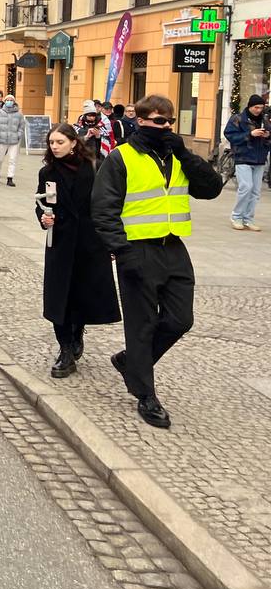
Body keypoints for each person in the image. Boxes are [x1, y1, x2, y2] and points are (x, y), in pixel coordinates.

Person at [92, 95, 222, 430]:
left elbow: (211, 189)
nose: (165, 127)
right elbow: (103, 209)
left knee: (180, 320)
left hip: (173, 248)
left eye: (170, 122)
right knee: (142, 324)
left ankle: (130, 361)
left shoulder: (178, 156)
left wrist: (184, 153)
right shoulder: (122, 157)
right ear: (140, 120)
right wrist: (122, 250)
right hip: (137, 249)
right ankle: (145, 395)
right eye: (158, 121)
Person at [35, 124, 120, 379]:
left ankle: (76, 334)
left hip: (88, 241)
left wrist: (111, 241)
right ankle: (65, 350)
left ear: (74, 142)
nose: (55, 146)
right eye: (52, 142)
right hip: (60, 242)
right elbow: (41, 203)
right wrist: (43, 218)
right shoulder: (47, 172)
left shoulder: (93, 167)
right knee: (59, 296)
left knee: (82, 293)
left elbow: (106, 204)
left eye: (60, 142)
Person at [223, 93, 269, 231]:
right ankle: (236, 216)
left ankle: (248, 219)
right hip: (243, 158)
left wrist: (266, 137)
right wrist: (250, 134)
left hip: (259, 159)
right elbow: (230, 135)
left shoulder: (264, 121)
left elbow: (269, 141)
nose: (258, 110)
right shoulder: (238, 119)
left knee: (255, 191)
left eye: (261, 107)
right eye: (256, 107)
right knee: (246, 187)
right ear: (249, 106)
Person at [0, 93, 24, 186]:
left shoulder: (19, 114)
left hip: (14, 141)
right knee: (0, 158)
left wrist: (19, 135)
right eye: (7, 100)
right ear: (5, 102)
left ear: (14, 102)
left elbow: (21, 126)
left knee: (12, 159)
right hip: (2, 139)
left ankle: (10, 178)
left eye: (11, 100)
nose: (9, 102)